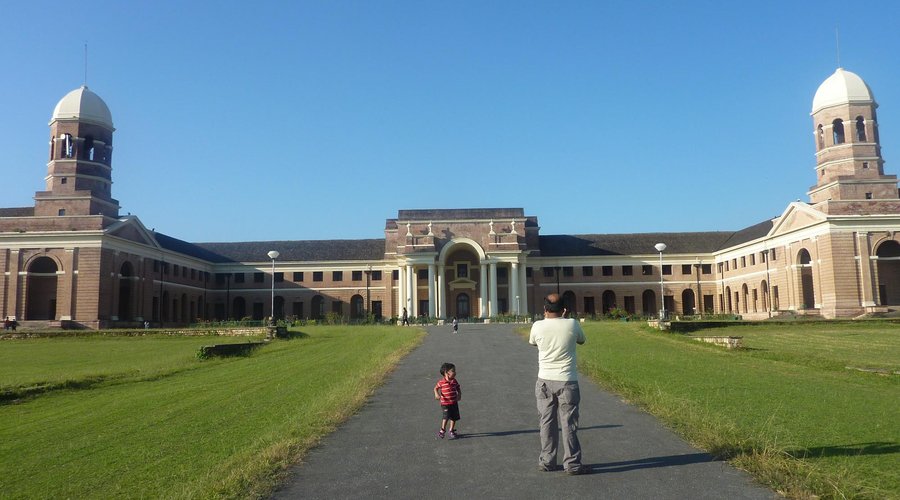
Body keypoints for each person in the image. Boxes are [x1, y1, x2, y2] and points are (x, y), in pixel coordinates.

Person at [528, 293, 587, 475]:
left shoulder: (537, 326)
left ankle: (547, 461)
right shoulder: (572, 324)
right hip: (568, 381)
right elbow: (581, 340)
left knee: (546, 422)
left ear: (545, 310)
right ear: (564, 309)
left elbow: (533, 343)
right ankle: (572, 465)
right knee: (569, 424)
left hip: (544, 380)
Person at [433, 362, 462, 439]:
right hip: (445, 403)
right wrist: (436, 394)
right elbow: (435, 388)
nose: (455, 372)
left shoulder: (454, 381)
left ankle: (451, 430)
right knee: (446, 416)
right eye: (453, 371)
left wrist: (459, 394)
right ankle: (442, 430)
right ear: (446, 373)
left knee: (454, 417)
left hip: (454, 402)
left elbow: (458, 388)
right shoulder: (441, 382)